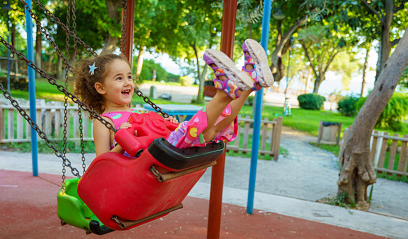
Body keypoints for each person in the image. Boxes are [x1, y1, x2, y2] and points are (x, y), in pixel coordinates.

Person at [73, 39, 274, 157]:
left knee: (212, 130)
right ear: (100, 88)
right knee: (193, 130)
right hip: (150, 163)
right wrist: (121, 142)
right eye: (119, 78)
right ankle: (226, 90)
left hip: (164, 151)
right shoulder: (103, 122)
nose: (127, 83)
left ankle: (250, 82)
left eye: (129, 77)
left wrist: (166, 124)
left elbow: (151, 132)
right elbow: (102, 162)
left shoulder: (135, 112)